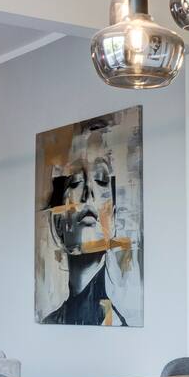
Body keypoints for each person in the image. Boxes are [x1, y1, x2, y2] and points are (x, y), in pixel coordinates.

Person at [39, 128, 131, 326]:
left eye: (101, 180)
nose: (88, 193)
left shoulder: (115, 323)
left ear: (113, 219)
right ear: (58, 224)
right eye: (75, 182)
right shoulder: (51, 322)